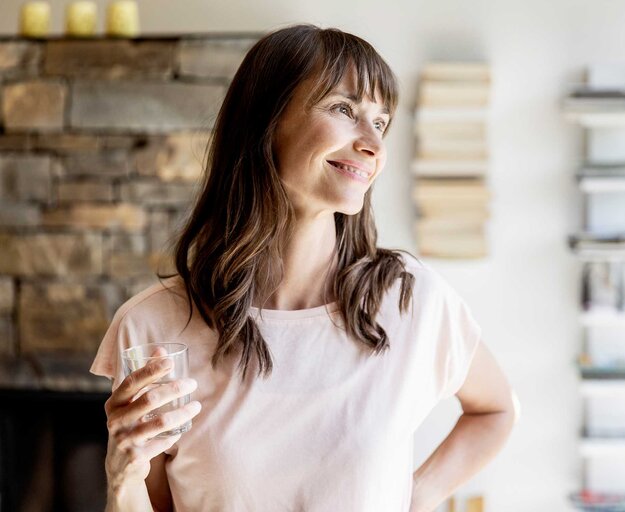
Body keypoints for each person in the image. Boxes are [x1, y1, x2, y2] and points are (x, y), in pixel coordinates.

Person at [91, 24, 517, 512]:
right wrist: (122, 477)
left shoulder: (411, 301)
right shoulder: (154, 327)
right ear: (266, 121)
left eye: (380, 123)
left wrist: (418, 495)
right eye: (343, 109)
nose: (373, 145)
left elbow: (498, 409)